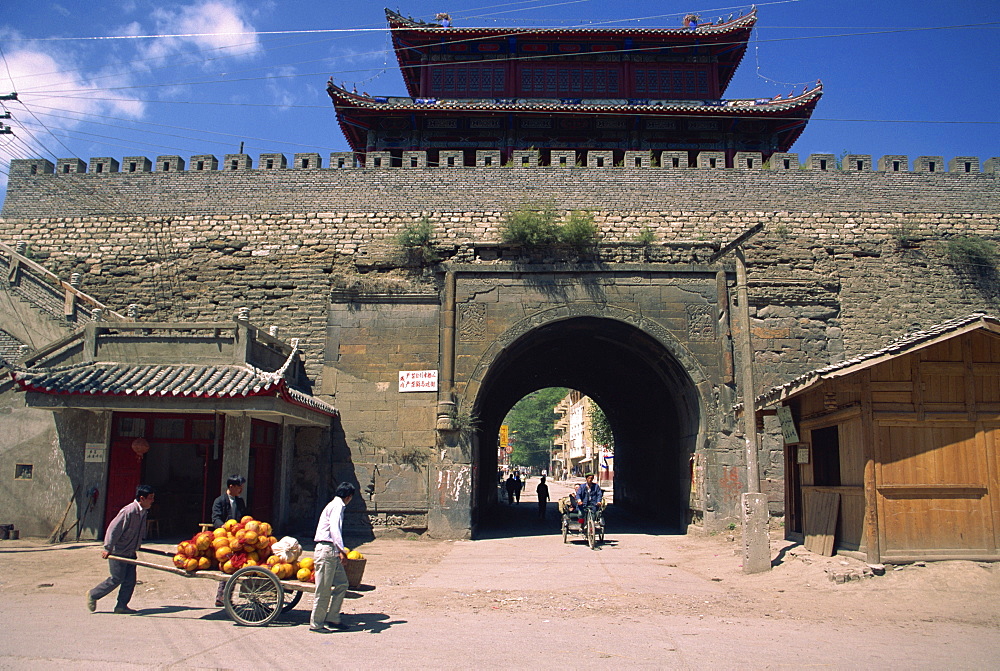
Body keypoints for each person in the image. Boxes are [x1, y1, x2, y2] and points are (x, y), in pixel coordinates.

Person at [86, 484, 155, 614]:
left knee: (130, 581)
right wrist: (108, 548)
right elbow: (113, 529)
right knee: (117, 578)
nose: (152, 500)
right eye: (150, 498)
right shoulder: (128, 511)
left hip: (130, 551)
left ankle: (121, 606)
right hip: (119, 550)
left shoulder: (143, 512)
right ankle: (93, 594)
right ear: (142, 498)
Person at [311, 481, 356, 633]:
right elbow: (335, 529)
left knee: (342, 583)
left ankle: (333, 617)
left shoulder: (333, 505)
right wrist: (342, 551)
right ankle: (316, 624)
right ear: (349, 497)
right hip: (327, 550)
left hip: (331, 551)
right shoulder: (337, 506)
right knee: (323, 589)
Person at [211, 475, 247, 607]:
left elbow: (243, 518)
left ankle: (227, 596)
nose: (240, 490)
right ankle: (221, 596)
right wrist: (223, 527)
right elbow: (216, 518)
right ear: (231, 487)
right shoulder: (219, 501)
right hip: (224, 539)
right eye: (239, 487)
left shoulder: (240, 502)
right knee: (227, 566)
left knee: (237, 566)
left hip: (237, 539)